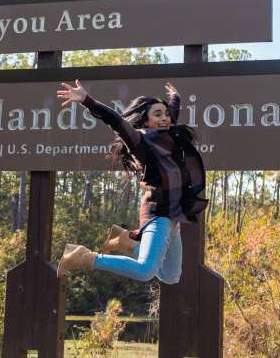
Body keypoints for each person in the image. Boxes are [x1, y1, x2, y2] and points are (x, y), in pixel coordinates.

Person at [55, 80, 207, 285]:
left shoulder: (168, 137)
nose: (165, 118)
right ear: (145, 121)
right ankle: (84, 257)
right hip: (158, 215)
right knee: (145, 271)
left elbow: (171, 114)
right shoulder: (140, 141)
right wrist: (87, 101)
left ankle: (128, 243)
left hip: (173, 216)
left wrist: (175, 98)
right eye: (158, 115)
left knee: (171, 276)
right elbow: (116, 121)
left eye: (166, 114)